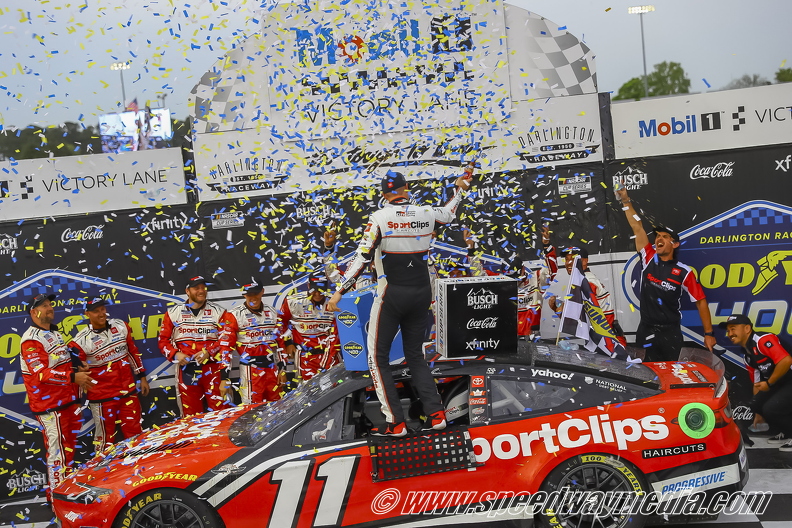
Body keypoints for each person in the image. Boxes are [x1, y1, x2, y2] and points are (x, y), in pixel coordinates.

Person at [328, 167, 473, 436]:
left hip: (392, 295)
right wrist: (459, 191)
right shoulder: (426, 213)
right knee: (415, 355)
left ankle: (395, 423)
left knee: (376, 358)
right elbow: (450, 213)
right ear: (406, 190)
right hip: (421, 295)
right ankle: (437, 415)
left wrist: (340, 290)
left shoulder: (379, 217)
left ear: (384, 194)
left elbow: (361, 257)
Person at [615, 186, 716, 361]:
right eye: (657, 236)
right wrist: (625, 200)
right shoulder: (648, 257)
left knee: (673, 374)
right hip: (646, 329)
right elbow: (637, 227)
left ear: (675, 244)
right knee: (646, 375)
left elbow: (701, 302)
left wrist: (708, 333)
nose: (659, 239)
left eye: (664, 236)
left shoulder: (684, 272)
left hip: (671, 332)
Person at [19, 293, 93, 499]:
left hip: (67, 400)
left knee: (68, 447)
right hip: (49, 406)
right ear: (34, 313)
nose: (49, 307)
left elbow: (61, 359)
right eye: (44, 306)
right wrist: (73, 377)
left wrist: (77, 364)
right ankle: (57, 498)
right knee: (57, 452)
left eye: (50, 304)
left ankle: (66, 488)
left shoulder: (54, 332)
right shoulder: (30, 340)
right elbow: (41, 374)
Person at [69, 296, 149, 452]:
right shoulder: (80, 341)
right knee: (104, 439)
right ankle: (101, 473)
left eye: (102, 309)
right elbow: (77, 373)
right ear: (87, 314)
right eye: (95, 311)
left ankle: (139, 470)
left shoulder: (121, 326)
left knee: (135, 434)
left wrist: (142, 377)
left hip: (128, 392)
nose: (101, 314)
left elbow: (132, 353)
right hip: (102, 399)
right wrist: (77, 401)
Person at [158, 276, 233, 416]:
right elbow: (163, 340)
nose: (201, 291)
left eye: (203, 287)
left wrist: (210, 351)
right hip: (187, 370)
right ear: (187, 291)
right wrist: (175, 354)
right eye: (196, 288)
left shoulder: (219, 312)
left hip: (213, 369)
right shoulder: (173, 313)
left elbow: (226, 341)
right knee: (190, 417)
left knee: (222, 414)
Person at [720, 314, 792, 450]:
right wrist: (757, 411)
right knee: (757, 403)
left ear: (747, 328)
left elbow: (786, 361)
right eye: (728, 330)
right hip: (781, 383)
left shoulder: (762, 340)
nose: (730, 334)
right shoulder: (747, 356)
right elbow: (757, 385)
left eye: (733, 329)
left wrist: (769, 383)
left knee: (772, 408)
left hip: (788, 380)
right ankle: (788, 433)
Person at [220, 281, 286, 404]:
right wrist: (224, 377)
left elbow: (280, 343)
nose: (253, 297)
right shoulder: (233, 315)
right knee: (252, 408)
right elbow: (225, 347)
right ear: (244, 295)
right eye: (249, 294)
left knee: (278, 406)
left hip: (272, 368)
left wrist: (282, 370)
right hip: (250, 369)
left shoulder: (273, 313)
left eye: (255, 293)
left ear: (262, 292)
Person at [548, 246, 625, 346]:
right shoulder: (584, 279)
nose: (568, 263)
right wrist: (559, 308)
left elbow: (573, 320)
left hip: (607, 342)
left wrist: (557, 308)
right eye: (566, 259)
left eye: (573, 259)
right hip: (604, 339)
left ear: (584, 261)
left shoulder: (586, 282)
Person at [279, 273, 340, 382]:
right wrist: (288, 342)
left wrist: (326, 363)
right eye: (314, 290)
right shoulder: (293, 301)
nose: (317, 294)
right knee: (306, 393)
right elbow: (280, 322)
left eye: (321, 290)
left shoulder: (334, 303)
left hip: (330, 355)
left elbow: (335, 337)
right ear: (308, 286)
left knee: (333, 391)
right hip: (304, 356)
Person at [516, 226, 557, 339]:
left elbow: (551, 271)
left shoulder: (536, 278)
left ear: (523, 269)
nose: (516, 280)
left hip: (532, 335)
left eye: (518, 275)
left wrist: (547, 246)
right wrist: (471, 250)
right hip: (512, 337)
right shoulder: (505, 285)